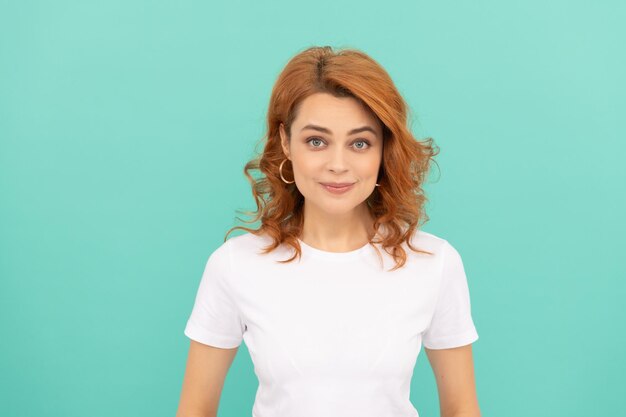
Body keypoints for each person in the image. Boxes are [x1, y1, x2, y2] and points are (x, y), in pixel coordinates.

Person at [176, 45, 481, 417]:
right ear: (286, 142)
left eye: (360, 143)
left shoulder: (434, 263)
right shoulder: (234, 266)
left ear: (384, 149)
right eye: (316, 141)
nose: (338, 164)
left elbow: (462, 409)